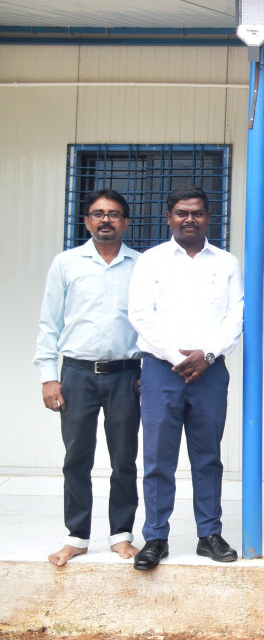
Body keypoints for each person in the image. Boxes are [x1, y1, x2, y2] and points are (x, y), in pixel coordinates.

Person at [128, 186, 243, 570]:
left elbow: (235, 316)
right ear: (169, 217)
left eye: (196, 213)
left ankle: (209, 534)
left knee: (207, 457)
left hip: (210, 372)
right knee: (158, 458)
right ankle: (155, 538)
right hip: (162, 371)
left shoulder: (226, 263)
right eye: (182, 213)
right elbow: (140, 315)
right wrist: (178, 358)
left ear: (208, 217)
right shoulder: (151, 261)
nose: (189, 219)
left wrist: (206, 356)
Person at [36, 188, 142, 567]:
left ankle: (121, 535)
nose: (105, 220)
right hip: (76, 375)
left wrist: (150, 369)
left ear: (125, 222)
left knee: (124, 458)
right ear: (86, 221)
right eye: (98, 214)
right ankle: (77, 536)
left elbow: (152, 323)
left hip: (126, 376)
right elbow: (49, 323)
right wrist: (49, 377)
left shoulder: (141, 266)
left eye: (113, 214)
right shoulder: (66, 264)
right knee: (76, 458)